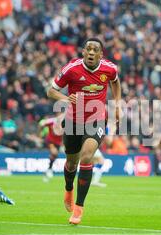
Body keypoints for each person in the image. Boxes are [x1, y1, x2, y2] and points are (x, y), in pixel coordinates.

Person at [47, 37, 121, 225]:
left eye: (94, 50)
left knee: (87, 156)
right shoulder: (71, 69)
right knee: (71, 163)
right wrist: (65, 99)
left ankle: (79, 209)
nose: (90, 52)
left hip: (96, 119)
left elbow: (115, 82)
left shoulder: (109, 68)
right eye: (88, 49)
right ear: (83, 52)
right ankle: (68, 188)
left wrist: (118, 104)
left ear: (100, 54)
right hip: (73, 121)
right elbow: (51, 91)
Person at [38, 114, 64, 183]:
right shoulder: (51, 121)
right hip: (50, 141)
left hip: (58, 143)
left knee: (54, 156)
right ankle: (49, 170)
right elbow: (41, 124)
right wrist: (40, 134)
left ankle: (48, 170)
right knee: (54, 153)